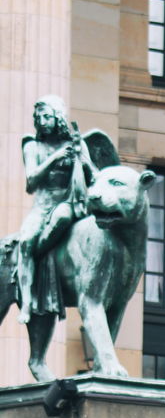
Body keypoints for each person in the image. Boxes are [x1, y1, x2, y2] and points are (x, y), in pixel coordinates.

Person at [19, 95, 95, 323]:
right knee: (25, 242)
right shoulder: (32, 146)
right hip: (41, 207)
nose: (42, 121)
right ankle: (26, 302)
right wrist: (55, 159)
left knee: (62, 217)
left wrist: (82, 159)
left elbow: (94, 175)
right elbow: (31, 182)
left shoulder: (75, 144)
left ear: (58, 118)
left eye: (47, 116)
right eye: (38, 117)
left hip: (67, 204)